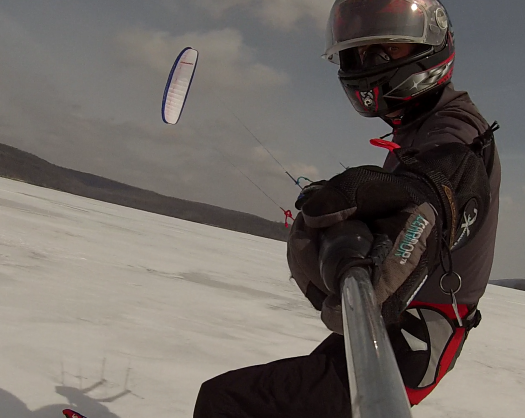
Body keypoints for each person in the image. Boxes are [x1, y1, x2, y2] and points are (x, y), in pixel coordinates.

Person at [193, 0, 500, 416]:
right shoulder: (416, 129)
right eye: (357, 52)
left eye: (387, 50)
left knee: (229, 401)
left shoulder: (456, 130)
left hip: (415, 338)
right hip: (395, 325)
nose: (367, 63)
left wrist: (405, 213)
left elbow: (444, 183)